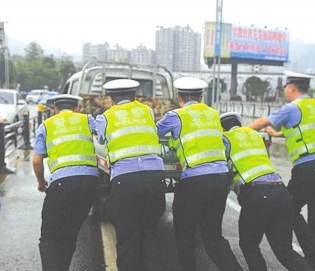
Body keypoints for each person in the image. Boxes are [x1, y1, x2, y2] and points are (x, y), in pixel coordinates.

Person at [249, 71, 315, 271]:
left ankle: (314, 251)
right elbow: (303, 131)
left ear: (291, 88)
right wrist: (277, 134)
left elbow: (263, 122)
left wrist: (242, 132)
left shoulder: (292, 107)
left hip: (310, 166)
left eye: (285, 89)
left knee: (287, 206)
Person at [156, 77, 243, 271]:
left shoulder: (175, 116)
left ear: (178, 97)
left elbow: (153, 132)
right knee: (212, 235)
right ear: (202, 97)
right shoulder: (213, 115)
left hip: (195, 180)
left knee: (184, 232)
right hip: (221, 179)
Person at [220, 112, 314, 271]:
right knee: (285, 251)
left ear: (222, 127)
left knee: (249, 245)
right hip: (281, 192)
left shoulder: (225, 139)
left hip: (257, 194)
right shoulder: (256, 136)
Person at [96, 79, 165, 271]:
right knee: (150, 232)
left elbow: (99, 141)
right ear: (135, 96)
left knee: (127, 236)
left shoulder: (106, 117)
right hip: (154, 178)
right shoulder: (147, 111)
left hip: (125, 180)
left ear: (111, 99)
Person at [32, 94, 99, 271]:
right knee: (70, 232)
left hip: (61, 183)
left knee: (49, 236)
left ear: (55, 109)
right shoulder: (86, 119)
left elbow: (37, 160)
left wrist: (41, 183)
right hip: (89, 182)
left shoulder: (46, 125)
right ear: (76, 108)